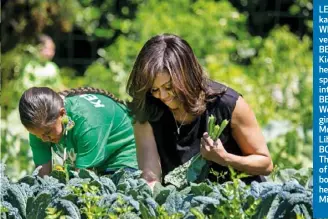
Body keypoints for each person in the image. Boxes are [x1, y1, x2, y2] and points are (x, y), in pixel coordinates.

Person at [126, 34, 273, 188]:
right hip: (185, 204)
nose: (162, 96)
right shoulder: (147, 107)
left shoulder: (227, 103)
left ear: (186, 76)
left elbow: (265, 164)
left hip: (239, 197)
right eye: (154, 89)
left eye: (169, 87)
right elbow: (150, 176)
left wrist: (224, 158)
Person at [19, 86, 138, 177]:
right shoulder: (40, 126)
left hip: (124, 156)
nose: (44, 139)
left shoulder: (86, 121)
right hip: (93, 160)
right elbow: (42, 176)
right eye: (38, 135)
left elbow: (82, 180)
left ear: (62, 114)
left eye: (48, 133)